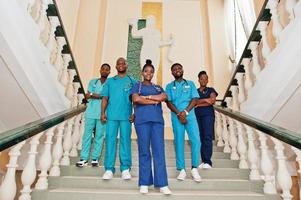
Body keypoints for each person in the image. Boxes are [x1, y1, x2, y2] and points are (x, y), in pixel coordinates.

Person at [131, 59, 171, 195]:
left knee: (159, 151)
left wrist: (146, 98)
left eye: (151, 71)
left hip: (157, 122)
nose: (149, 73)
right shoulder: (137, 86)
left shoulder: (158, 87)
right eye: (146, 71)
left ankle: (163, 184)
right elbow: (136, 99)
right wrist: (153, 99)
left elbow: (164, 97)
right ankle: (144, 182)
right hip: (142, 122)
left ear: (153, 73)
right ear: (142, 72)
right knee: (144, 151)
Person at [165, 63, 202, 182]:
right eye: (174, 69)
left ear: (182, 70)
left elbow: (195, 99)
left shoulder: (190, 84)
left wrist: (185, 112)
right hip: (176, 116)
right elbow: (168, 102)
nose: (177, 70)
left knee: (196, 140)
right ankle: (181, 170)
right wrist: (179, 114)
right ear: (172, 72)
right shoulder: (169, 86)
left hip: (190, 115)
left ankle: (194, 168)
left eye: (179, 68)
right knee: (179, 142)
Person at [101, 57, 136, 180]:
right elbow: (105, 98)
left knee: (125, 141)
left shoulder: (132, 81)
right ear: (116, 67)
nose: (121, 65)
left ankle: (125, 168)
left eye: (123, 63)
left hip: (126, 117)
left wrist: (134, 113)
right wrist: (102, 113)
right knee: (110, 140)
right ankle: (109, 169)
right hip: (111, 116)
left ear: (126, 66)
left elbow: (136, 100)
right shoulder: (110, 81)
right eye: (118, 63)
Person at [76, 63, 111, 167]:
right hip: (90, 112)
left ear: (109, 72)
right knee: (87, 135)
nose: (104, 71)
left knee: (99, 136)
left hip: (103, 113)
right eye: (103, 69)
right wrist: (102, 96)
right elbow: (87, 96)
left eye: (107, 69)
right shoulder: (93, 82)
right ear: (100, 70)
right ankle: (84, 158)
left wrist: (94, 95)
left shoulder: (110, 83)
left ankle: (95, 158)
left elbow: (108, 97)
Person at [128, 15, 174, 84]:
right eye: (148, 20)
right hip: (145, 51)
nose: (150, 22)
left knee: (154, 72)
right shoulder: (144, 30)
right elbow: (134, 34)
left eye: (151, 20)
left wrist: (169, 42)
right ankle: (143, 88)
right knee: (144, 71)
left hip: (155, 52)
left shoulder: (157, 31)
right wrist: (135, 24)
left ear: (154, 22)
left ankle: (153, 88)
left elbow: (158, 43)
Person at [194, 71, 218, 169]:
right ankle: (203, 161)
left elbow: (212, 101)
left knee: (207, 137)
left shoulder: (211, 90)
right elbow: (194, 103)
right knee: (200, 138)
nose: (203, 80)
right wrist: (205, 100)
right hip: (197, 116)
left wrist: (199, 103)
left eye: (205, 78)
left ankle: (208, 161)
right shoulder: (195, 91)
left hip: (208, 115)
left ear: (207, 80)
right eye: (201, 78)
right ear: (198, 80)